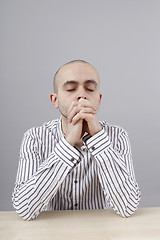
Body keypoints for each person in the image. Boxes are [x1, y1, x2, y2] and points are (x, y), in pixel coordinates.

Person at [12, 60, 141, 220]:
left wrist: (98, 138)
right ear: (55, 100)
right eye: (71, 89)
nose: (82, 95)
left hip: (101, 232)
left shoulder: (117, 136)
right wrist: (68, 142)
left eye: (90, 89)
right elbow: (24, 209)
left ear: (98, 99)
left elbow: (127, 207)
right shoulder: (35, 138)